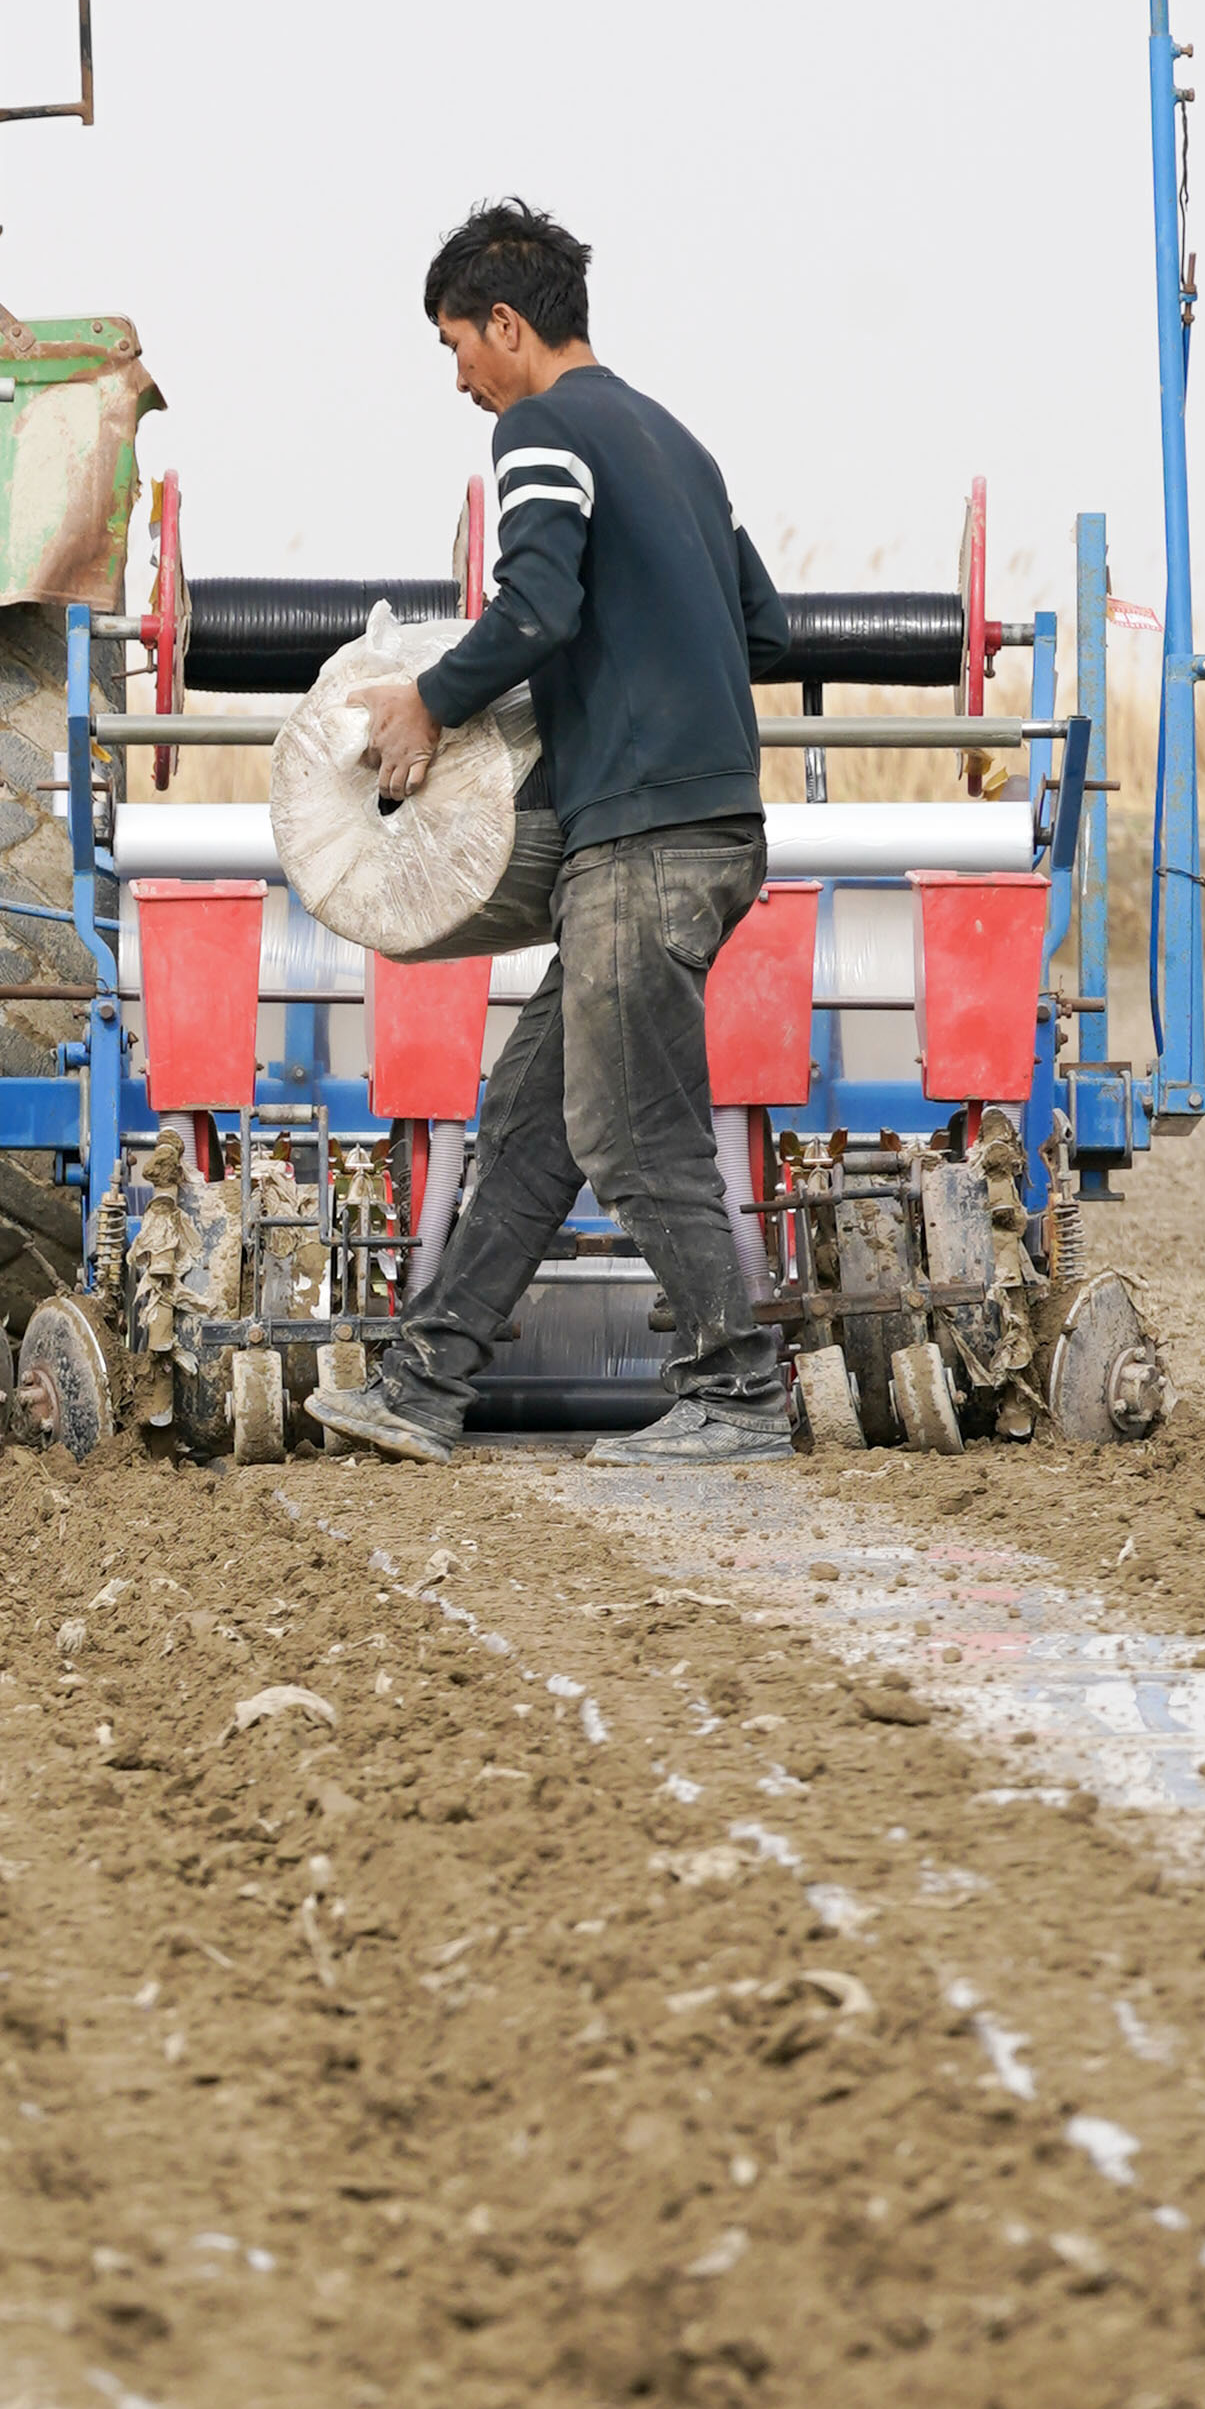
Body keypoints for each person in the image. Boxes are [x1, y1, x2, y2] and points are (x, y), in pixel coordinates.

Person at [315, 198, 791, 1474]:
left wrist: (433, 702)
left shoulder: (539, 426)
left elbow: (534, 602)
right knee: (531, 1118)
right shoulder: (677, 444)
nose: (458, 375)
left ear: (506, 324)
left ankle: (739, 1392)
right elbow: (765, 632)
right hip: (699, 821)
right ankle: (423, 1380)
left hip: (641, 837)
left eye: (453, 342)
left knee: (634, 1129)